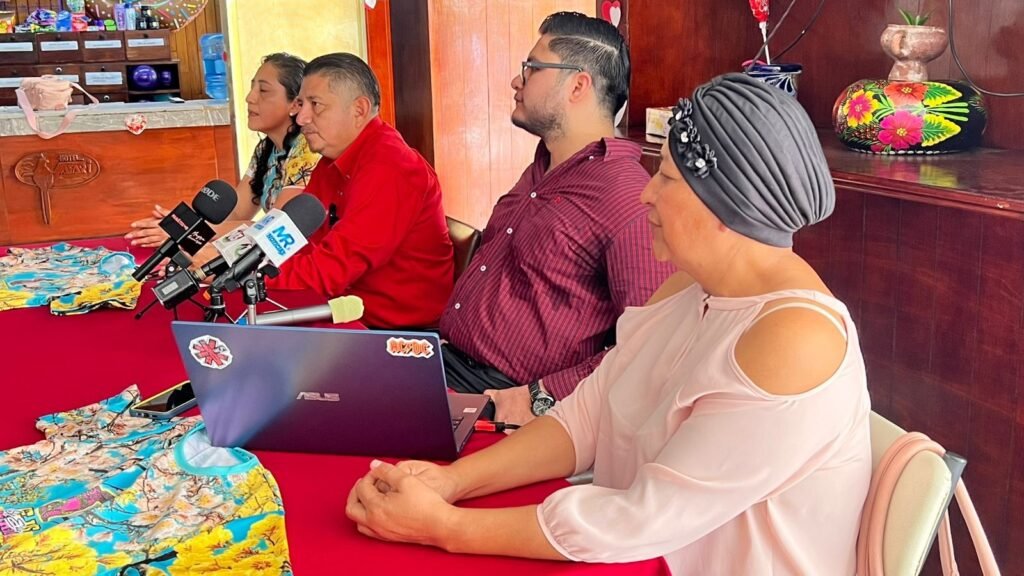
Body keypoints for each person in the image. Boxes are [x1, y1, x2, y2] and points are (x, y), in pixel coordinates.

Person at [344, 74, 872, 575]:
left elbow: (645, 517)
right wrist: (451, 482)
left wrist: (444, 527)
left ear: (724, 205)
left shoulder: (796, 337)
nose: (646, 194)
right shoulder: (691, 288)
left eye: (666, 178)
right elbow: (588, 415)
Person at [439, 12, 673, 424]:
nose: (517, 81)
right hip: (446, 364)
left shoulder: (625, 197)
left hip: (506, 400)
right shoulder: (543, 167)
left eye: (531, 68)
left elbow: (651, 346)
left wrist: (539, 397)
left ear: (578, 85)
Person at [265, 53, 453, 329]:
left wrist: (253, 277)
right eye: (301, 104)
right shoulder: (333, 158)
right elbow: (293, 237)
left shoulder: (392, 167)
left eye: (315, 105)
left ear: (359, 109)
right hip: (337, 308)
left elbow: (329, 272)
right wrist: (239, 259)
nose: (301, 118)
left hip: (391, 332)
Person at [125, 53, 319, 247]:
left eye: (263, 90)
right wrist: (180, 226)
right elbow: (236, 214)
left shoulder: (307, 150)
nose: (249, 98)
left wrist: (189, 232)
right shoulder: (266, 149)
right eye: (252, 88)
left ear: (295, 104)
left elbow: (274, 228)